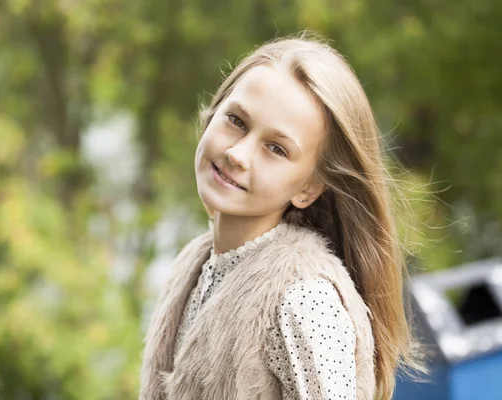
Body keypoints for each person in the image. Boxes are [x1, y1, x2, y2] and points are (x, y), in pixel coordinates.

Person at [139, 31, 428, 400]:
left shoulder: (305, 299)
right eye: (237, 121)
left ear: (309, 188)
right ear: (213, 112)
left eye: (276, 148)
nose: (238, 154)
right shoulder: (192, 263)